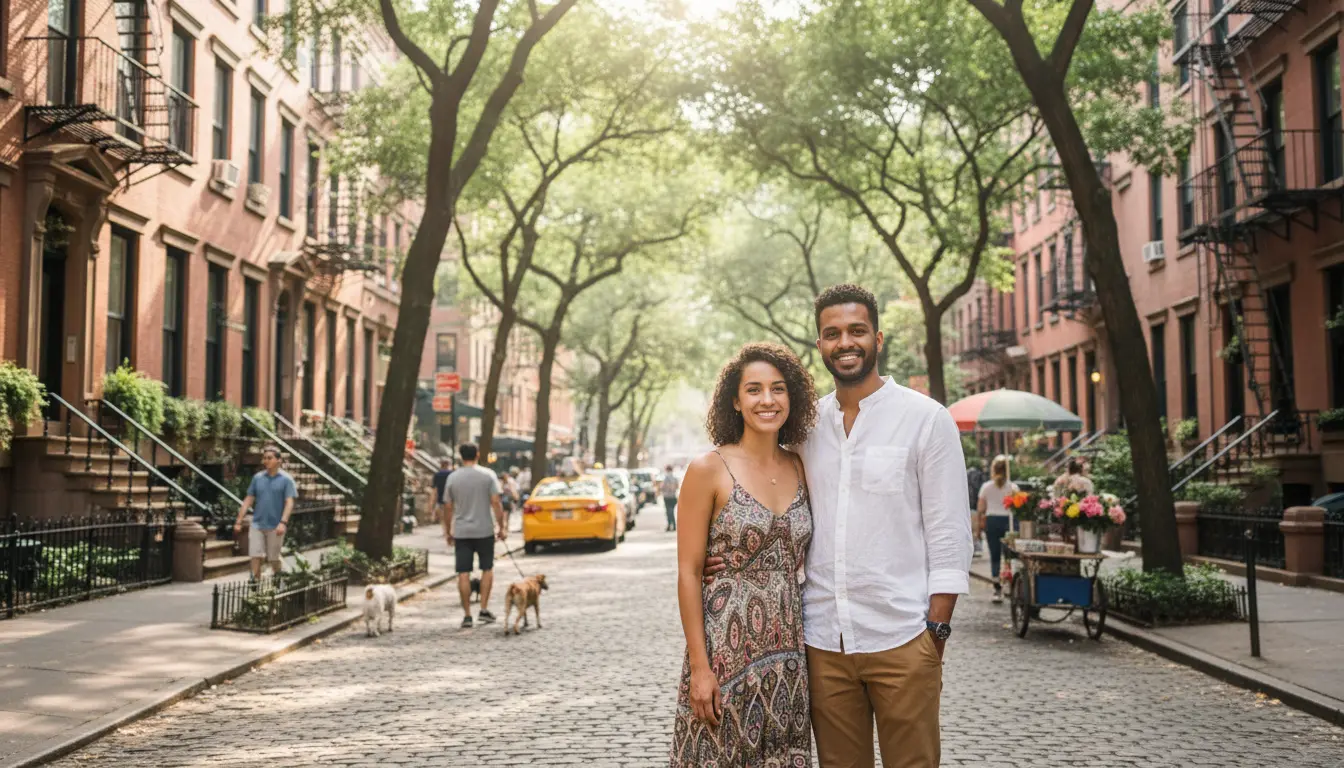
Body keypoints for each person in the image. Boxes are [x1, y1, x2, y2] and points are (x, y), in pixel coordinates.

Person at [704, 284, 971, 768]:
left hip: (903, 635)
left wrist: (936, 630)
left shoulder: (926, 420)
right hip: (823, 641)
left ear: (878, 337)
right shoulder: (804, 427)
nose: (845, 342)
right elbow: (761, 489)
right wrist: (726, 556)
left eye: (856, 331)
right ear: (820, 344)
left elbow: (950, 532)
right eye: (832, 333)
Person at [670, 342, 817, 767]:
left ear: (793, 397)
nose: (767, 400)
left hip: (789, 654)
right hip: (725, 652)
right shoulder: (707, 469)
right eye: (754, 390)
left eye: (778, 389)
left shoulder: (801, 466)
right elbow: (688, 571)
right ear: (735, 400)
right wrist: (700, 667)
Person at [441, 443, 508, 628]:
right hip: (484, 530)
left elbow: (447, 506)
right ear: (478, 455)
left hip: (462, 531)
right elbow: (496, 502)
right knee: (487, 568)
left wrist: (448, 530)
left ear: (461, 456)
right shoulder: (488, 475)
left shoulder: (453, 477)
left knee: (463, 572)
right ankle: (484, 609)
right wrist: (502, 527)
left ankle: (467, 615)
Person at [233, 446, 298, 580]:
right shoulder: (258, 478)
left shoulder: (287, 480)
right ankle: (255, 585)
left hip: (276, 525)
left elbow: (289, 503)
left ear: (278, 460)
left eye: (270, 458)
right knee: (255, 555)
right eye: (265, 458)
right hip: (257, 524)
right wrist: (239, 520)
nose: (265, 461)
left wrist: (283, 522)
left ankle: (279, 576)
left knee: (273, 558)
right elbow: (248, 499)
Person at [977, 456, 1018, 603]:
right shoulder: (1013, 487)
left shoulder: (986, 487)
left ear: (993, 470)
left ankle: (997, 589)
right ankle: (1008, 582)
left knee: (995, 556)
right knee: (1008, 556)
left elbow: (981, 509)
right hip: (1008, 521)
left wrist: (978, 529)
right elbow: (1017, 507)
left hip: (992, 521)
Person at [967, 458, 988, 557]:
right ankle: (977, 547)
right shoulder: (980, 476)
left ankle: (973, 548)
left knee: (971, 529)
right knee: (976, 529)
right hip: (975, 505)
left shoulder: (966, 475)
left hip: (968, 506)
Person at [431, 458, 453, 524]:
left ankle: (445, 531)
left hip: (440, 497)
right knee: (449, 514)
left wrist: (432, 502)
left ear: (441, 465)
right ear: (448, 465)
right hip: (450, 497)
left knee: (442, 516)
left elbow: (435, 489)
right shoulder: (451, 474)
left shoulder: (437, 475)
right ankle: (448, 529)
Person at [660, 465, 680, 532]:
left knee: (669, 512)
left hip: (667, 497)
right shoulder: (675, 478)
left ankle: (670, 525)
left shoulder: (665, 478)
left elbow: (662, 487)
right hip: (673, 496)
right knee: (671, 511)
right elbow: (677, 486)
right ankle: (673, 525)